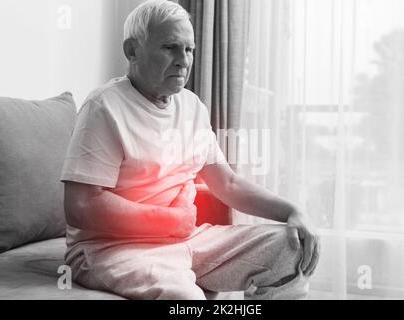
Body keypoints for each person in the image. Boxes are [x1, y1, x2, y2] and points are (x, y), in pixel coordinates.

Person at [61, 0, 320, 300]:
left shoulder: (192, 106)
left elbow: (228, 183)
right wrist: (169, 221)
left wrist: (292, 211)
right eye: (169, 47)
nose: (183, 60)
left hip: (185, 238)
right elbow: (80, 206)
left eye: (189, 49)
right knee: (188, 302)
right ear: (132, 51)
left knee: (291, 248)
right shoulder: (104, 106)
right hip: (112, 248)